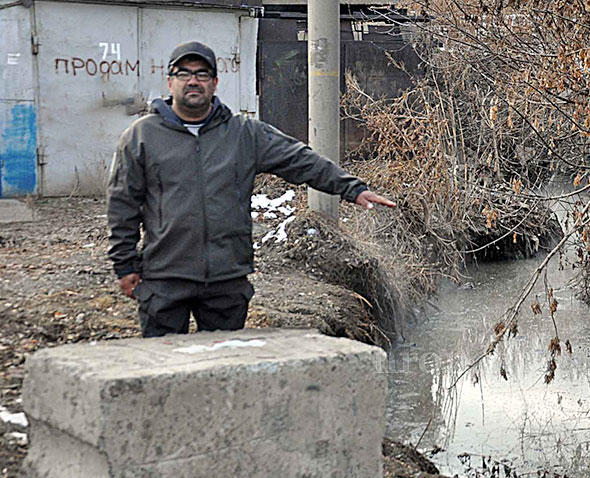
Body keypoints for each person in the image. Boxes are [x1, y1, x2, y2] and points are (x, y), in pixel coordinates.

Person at [108, 41, 395, 338]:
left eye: (202, 74)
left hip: (225, 279)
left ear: (215, 83)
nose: (193, 80)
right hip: (164, 277)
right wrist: (124, 264)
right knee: (164, 369)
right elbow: (122, 205)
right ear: (170, 81)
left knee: (225, 369)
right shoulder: (141, 137)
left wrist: (352, 188)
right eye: (184, 73)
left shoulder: (243, 133)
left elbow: (301, 159)